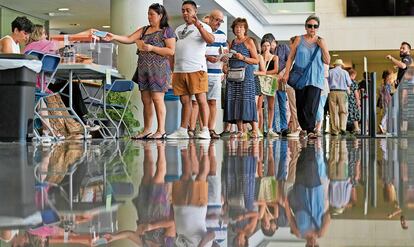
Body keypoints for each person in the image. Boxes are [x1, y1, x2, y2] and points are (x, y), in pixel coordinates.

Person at [105, 3, 175, 139]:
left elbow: (170, 51)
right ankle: (147, 130)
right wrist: (113, 36)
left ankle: (161, 131)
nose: (149, 17)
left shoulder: (167, 31)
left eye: (152, 14)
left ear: (160, 16)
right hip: (143, 69)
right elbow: (129, 38)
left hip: (159, 70)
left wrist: (151, 48)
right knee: (146, 100)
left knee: (157, 98)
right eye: (148, 14)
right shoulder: (144, 30)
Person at [167, 0, 214, 139]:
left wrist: (198, 25)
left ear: (195, 12)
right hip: (180, 70)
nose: (185, 13)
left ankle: (205, 129)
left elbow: (210, 40)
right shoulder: (178, 29)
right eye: (183, 10)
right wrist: (172, 68)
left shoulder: (204, 26)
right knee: (185, 101)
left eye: (188, 10)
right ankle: (183, 130)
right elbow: (173, 50)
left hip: (196, 69)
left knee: (200, 99)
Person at [281, 15, 330, 139]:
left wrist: (323, 47)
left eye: (315, 26)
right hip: (300, 77)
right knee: (301, 104)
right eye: (310, 26)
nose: (312, 28)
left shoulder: (321, 41)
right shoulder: (298, 39)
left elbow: (327, 60)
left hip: (316, 78)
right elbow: (291, 57)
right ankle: (304, 128)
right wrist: (286, 73)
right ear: (306, 27)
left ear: (318, 28)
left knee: (311, 104)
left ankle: (310, 130)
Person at [189, 9, 228, 139]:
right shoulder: (200, 31)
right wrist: (207, 57)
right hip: (201, 71)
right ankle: (192, 129)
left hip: (216, 73)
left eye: (220, 21)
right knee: (196, 102)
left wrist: (223, 58)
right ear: (210, 18)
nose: (219, 23)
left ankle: (210, 129)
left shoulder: (222, 35)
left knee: (212, 102)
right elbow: (195, 50)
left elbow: (225, 53)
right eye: (217, 20)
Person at [224, 18, 260, 139]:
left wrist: (242, 57)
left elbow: (256, 60)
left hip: (246, 76)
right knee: (235, 101)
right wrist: (225, 63)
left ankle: (255, 129)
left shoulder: (249, 41)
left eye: (241, 27)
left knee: (247, 100)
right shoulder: (232, 42)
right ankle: (240, 130)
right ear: (233, 29)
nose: (238, 29)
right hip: (233, 75)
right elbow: (228, 59)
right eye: (236, 27)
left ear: (245, 29)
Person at [262, 33, 290, 136]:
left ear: (274, 41)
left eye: (271, 43)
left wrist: (283, 73)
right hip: (269, 81)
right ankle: (271, 127)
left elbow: (290, 61)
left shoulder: (283, 47)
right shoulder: (265, 53)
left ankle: (284, 127)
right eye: (267, 44)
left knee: (282, 103)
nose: (269, 46)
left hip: (281, 79)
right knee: (270, 105)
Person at [255, 38, 279, 138]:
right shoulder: (259, 56)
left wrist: (264, 73)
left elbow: (276, 70)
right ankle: (258, 128)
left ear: (271, 46)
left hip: (271, 81)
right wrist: (262, 73)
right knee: (259, 106)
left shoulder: (274, 57)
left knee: (270, 106)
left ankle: (269, 128)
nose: (266, 48)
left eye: (268, 46)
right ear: (261, 46)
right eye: (264, 46)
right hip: (260, 82)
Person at [328, 59, 352, 136]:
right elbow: (349, 83)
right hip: (342, 92)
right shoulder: (345, 72)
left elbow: (326, 82)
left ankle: (335, 130)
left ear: (334, 65)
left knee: (333, 111)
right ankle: (343, 127)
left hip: (332, 92)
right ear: (341, 65)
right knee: (343, 111)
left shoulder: (330, 72)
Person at [314, 63, 330, 136]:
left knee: (319, 107)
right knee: (320, 106)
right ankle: (318, 127)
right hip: (323, 86)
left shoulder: (321, 63)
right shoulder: (325, 63)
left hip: (320, 85)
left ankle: (318, 127)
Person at [378, 70, 394, 134]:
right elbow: (389, 93)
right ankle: (381, 124)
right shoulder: (387, 85)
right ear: (387, 76)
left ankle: (383, 128)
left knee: (385, 113)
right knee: (387, 113)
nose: (391, 77)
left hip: (383, 100)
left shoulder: (383, 84)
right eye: (390, 76)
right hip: (387, 100)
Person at [347, 69, 361, 134]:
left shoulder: (345, 81)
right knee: (354, 113)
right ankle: (356, 128)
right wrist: (358, 101)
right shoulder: (354, 82)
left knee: (346, 114)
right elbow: (356, 93)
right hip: (352, 100)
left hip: (346, 99)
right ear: (353, 75)